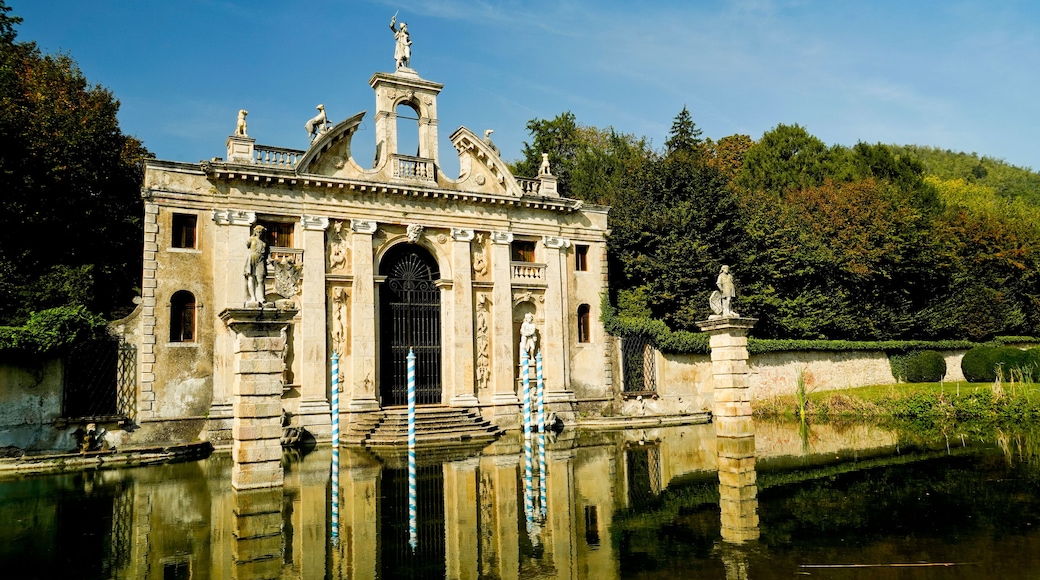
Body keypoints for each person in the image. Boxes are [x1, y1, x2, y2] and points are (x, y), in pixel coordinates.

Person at [245, 225, 268, 304]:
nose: (259, 233)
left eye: (261, 232)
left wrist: (269, 259)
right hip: (252, 258)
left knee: (260, 279)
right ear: (255, 232)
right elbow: (247, 245)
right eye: (258, 232)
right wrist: (251, 236)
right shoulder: (252, 239)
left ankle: (261, 297)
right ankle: (253, 297)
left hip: (261, 260)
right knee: (251, 278)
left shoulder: (265, 242)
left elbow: (268, 253)